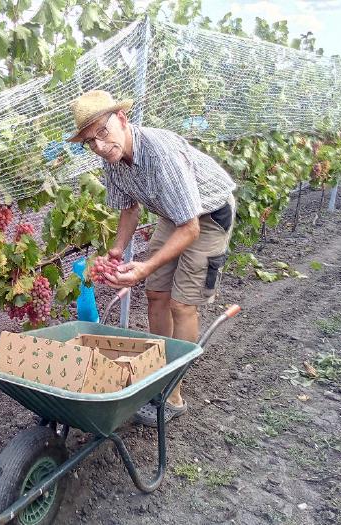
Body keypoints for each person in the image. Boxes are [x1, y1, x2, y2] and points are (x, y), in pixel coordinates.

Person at [67, 90, 236, 426]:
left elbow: (190, 229)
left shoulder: (159, 153)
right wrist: (117, 249)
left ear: (122, 119)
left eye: (102, 132)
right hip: (174, 216)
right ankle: (160, 369)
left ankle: (172, 394)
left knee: (182, 305)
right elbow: (130, 207)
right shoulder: (112, 159)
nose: (99, 145)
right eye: (90, 141)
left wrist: (144, 266)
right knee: (156, 293)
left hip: (208, 216)